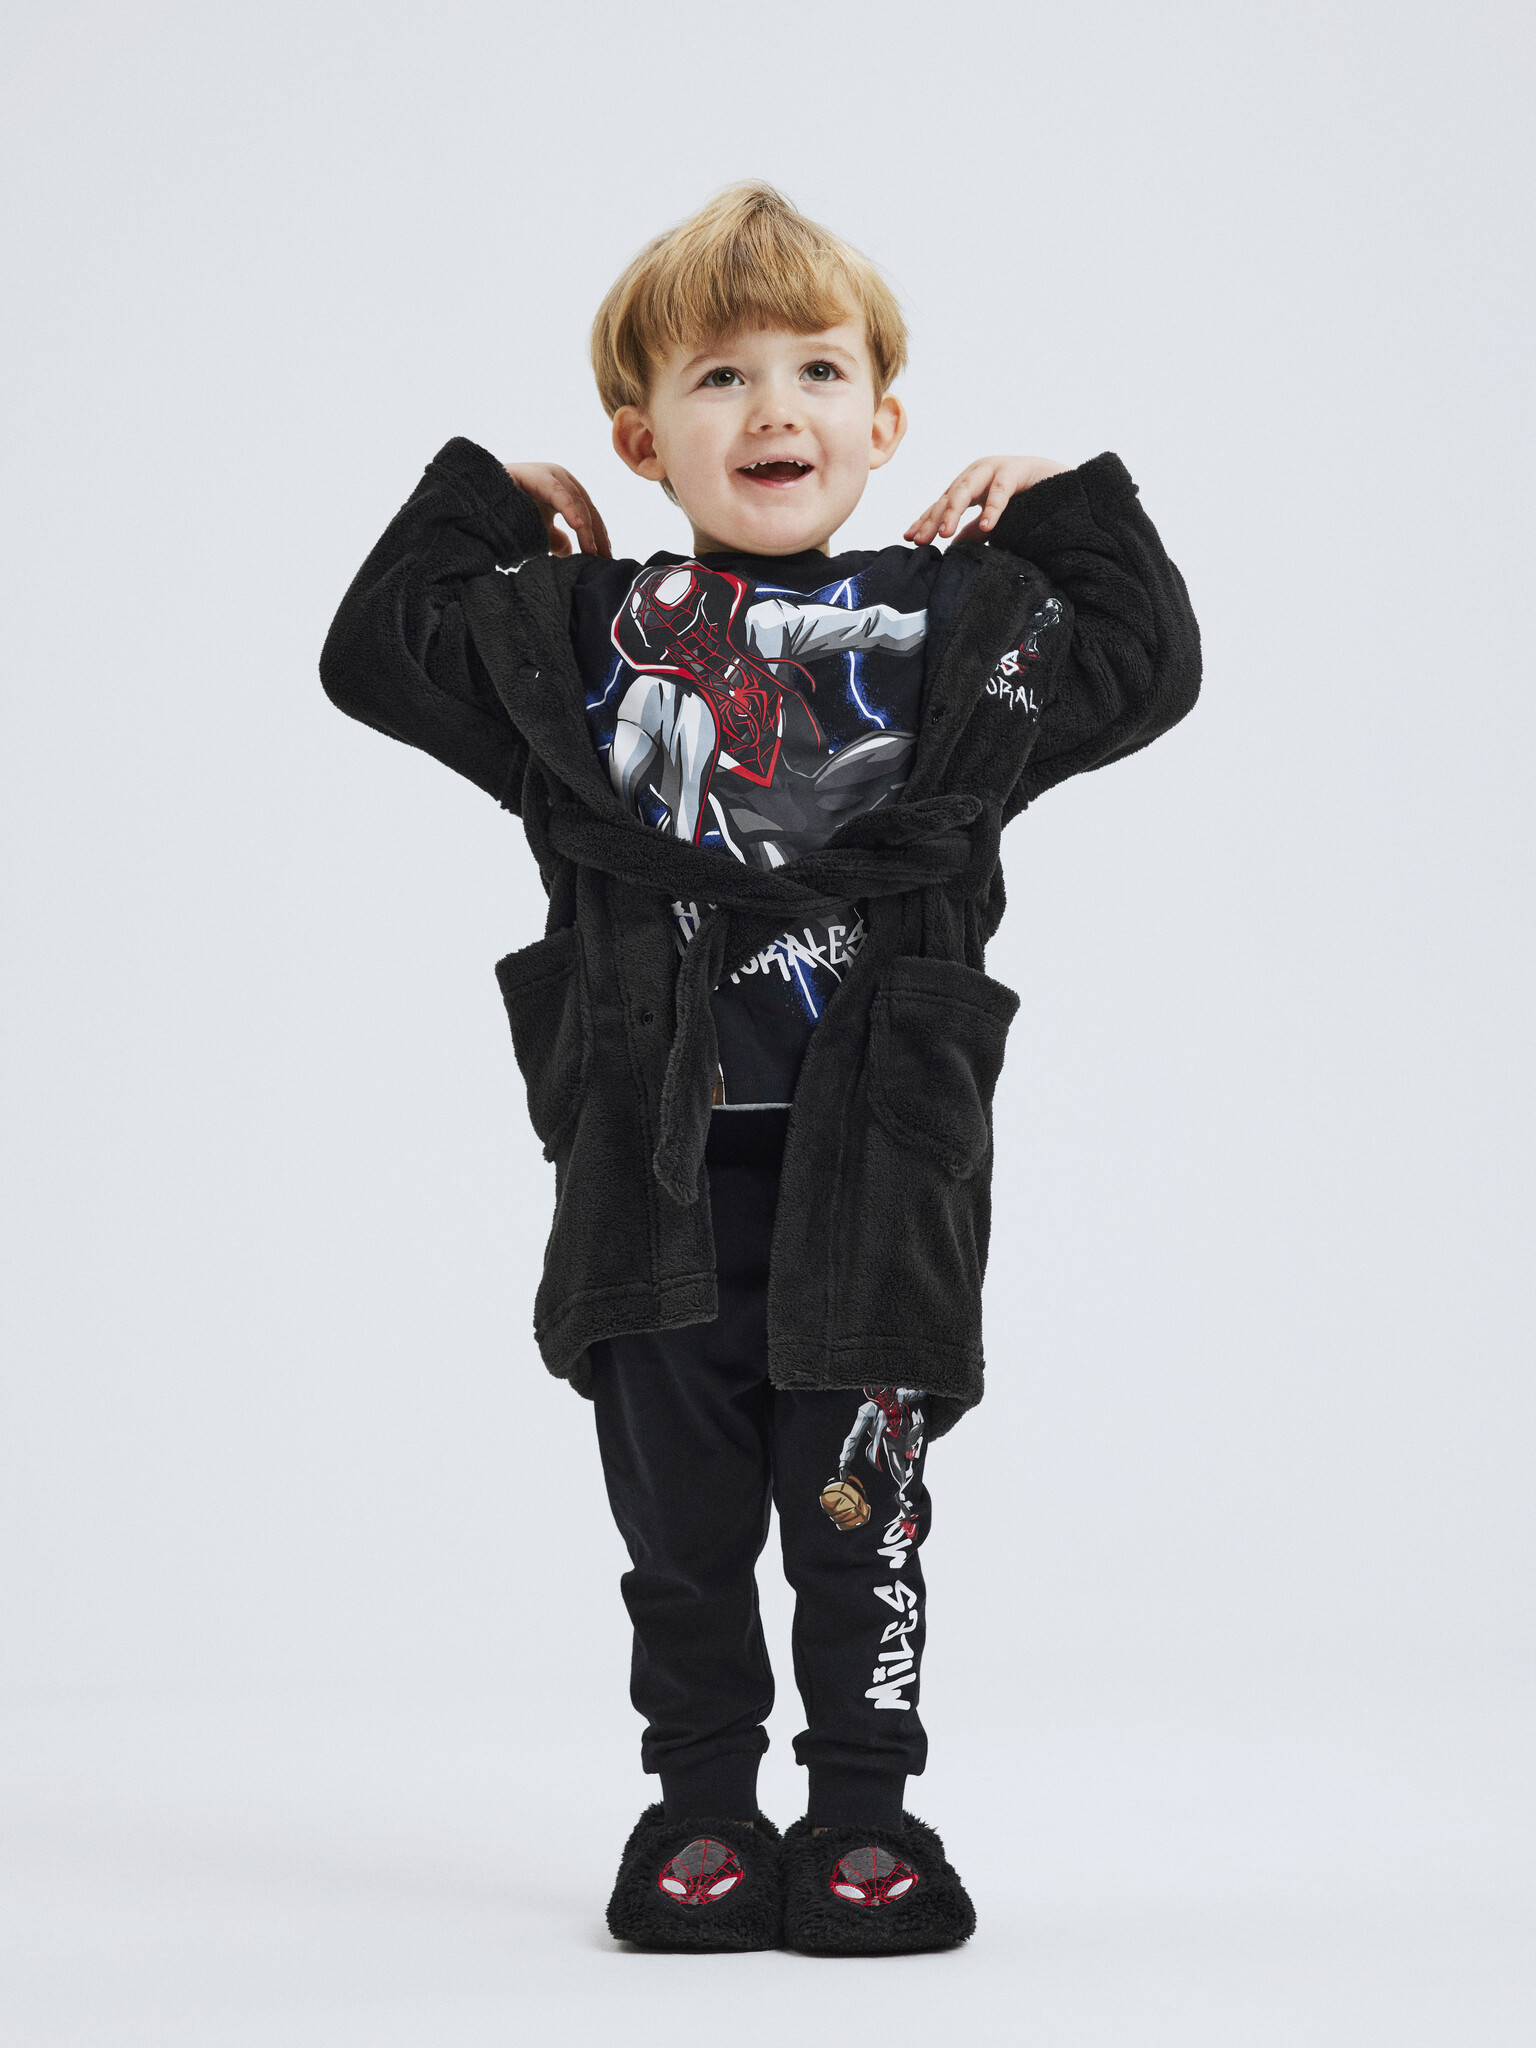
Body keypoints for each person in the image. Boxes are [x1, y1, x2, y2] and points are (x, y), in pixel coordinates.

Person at [319, 182, 1201, 1956]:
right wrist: (487, 499)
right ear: (641, 437)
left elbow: (1150, 668)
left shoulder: (962, 628)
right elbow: (376, 658)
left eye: (817, 370)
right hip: (655, 1160)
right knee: (683, 1521)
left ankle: (866, 1812)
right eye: (718, 376)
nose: (773, 408)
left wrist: (1062, 504)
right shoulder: (584, 635)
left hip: (879, 1162)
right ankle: (702, 1807)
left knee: (864, 1509)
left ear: (885, 422)